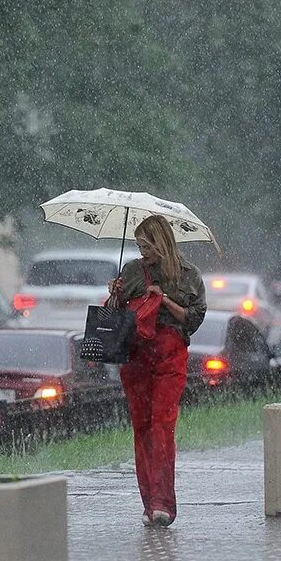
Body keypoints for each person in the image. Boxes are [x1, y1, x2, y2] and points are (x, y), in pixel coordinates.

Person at [108, 214, 207, 527]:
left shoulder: (188, 274)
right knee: (142, 427)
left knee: (162, 425)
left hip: (169, 354)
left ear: (162, 241)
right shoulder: (132, 271)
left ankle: (163, 503)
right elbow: (114, 314)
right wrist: (115, 293)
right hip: (136, 355)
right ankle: (149, 503)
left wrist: (163, 300)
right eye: (138, 246)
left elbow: (193, 318)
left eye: (147, 245)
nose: (142, 252)